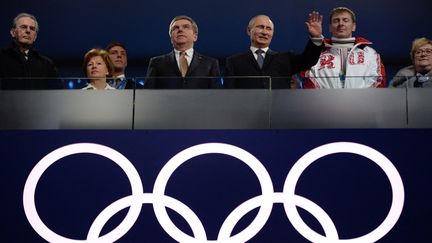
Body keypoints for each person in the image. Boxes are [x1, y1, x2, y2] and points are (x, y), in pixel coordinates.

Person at [223, 12, 323, 89]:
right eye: (260, 27)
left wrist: (316, 37)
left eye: (269, 29)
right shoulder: (233, 62)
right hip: (246, 113)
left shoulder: (286, 59)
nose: (265, 32)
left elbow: (309, 60)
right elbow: (229, 94)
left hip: (278, 113)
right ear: (249, 30)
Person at [300, 7, 386, 88]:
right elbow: (308, 79)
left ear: (353, 26)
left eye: (345, 20)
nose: (341, 23)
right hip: (324, 103)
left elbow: (378, 81)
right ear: (330, 27)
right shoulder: (316, 52)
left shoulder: (370, 53)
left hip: (361, 103)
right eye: (336, 21)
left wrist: (360, 101)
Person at [144, 15, 221, 89]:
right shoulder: (156, 62)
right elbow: (147, 94)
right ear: (171, 38)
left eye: (186, 27)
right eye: (175, 28)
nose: (180, 29)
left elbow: (218, 96)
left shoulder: (210, 63)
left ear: (195, 36)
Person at [0, 12, 61, 89]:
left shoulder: (46, 65)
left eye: (32, 28)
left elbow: (58, 94)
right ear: (13, 32)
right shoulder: (1, 58)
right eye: (23, 27)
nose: (28, 31)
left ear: (35, 37)